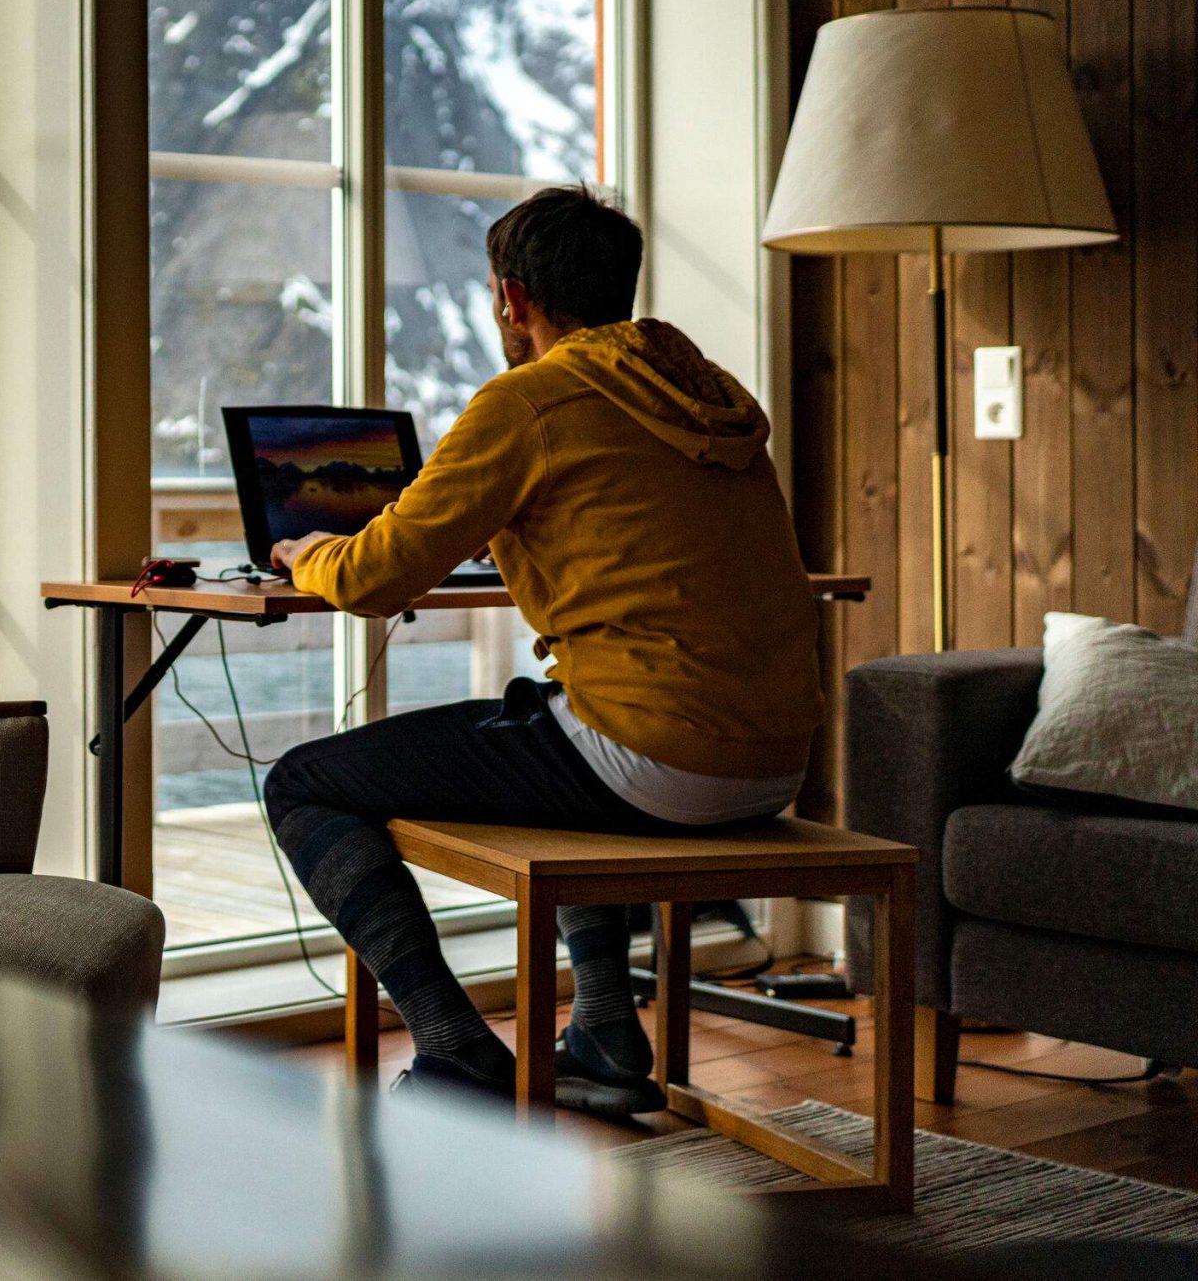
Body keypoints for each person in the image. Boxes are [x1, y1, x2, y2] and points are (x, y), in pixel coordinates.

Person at [265, 185, 820, 1116]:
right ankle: (604, 1029)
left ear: (512, 299)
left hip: (660, 758)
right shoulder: (707, 396)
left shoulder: (531, 401)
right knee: (543, 707)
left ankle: (454, 1047)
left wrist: (304, 550)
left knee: (302, 781)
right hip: (776, 759)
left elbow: (371, 579)